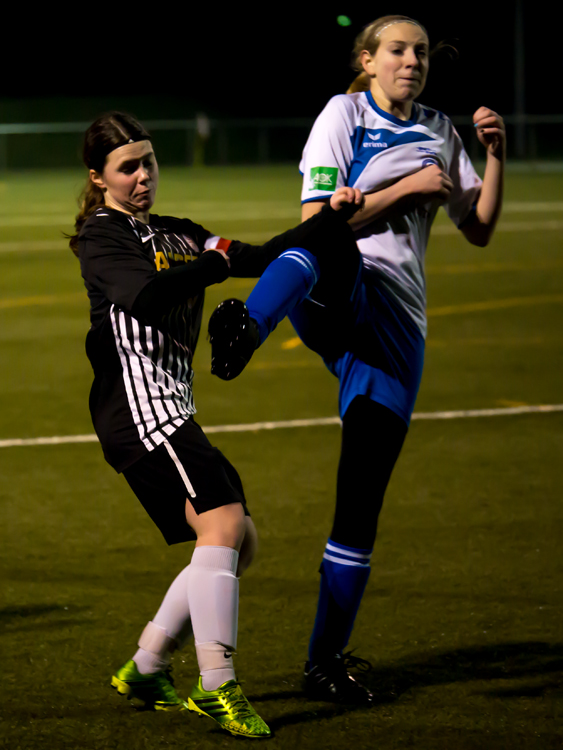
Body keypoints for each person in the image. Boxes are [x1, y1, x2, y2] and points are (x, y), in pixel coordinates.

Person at [208, 14, 505, 704]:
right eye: (397, 50)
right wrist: (401, 193)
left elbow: (479, 228)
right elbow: (317, 221)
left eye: (421, 52)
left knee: (360, 502)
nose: (411, 61)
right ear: (367, 60)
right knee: (329, 248)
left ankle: (323, 663)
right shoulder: (343, 114)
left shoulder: (440, 129)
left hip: (396, 330)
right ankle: (246, 330)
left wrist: (493, 155)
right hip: (342, 295)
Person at [71, 112, 363, 738]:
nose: (144, 175)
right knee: (224, 525)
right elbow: (147, 297)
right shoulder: (102, 236)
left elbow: (256, 256)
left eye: (149, 161)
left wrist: (330, 221)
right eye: (128, 167)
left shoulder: (179, 233)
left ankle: (147, 663)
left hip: (170, 408)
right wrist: (211, 264)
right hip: (138, 411)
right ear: (99, 179)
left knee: (239, 541)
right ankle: (217, 686)